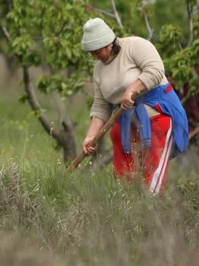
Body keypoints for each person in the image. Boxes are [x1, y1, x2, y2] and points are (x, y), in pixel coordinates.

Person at [80, 18, 189, 194]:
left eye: (97, 51)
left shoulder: (135, 46)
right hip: (126, 123)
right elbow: (101, 105)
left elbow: (155, 70)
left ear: (109, 44)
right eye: (91, 53)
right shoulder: (98, 69)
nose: (95, 56)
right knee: (124, 180)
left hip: (158, 116)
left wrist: (132, 89)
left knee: (150, 179)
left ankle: (149, 211)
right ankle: (126, 209)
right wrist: (90, 136)